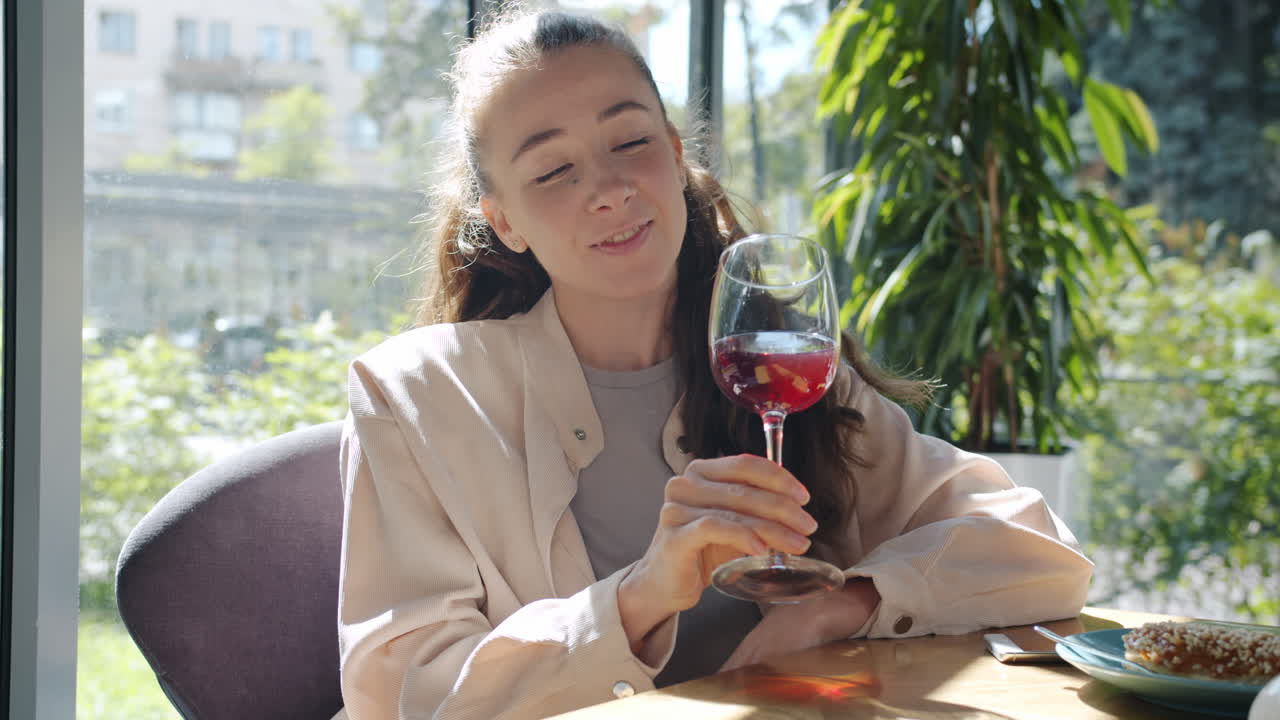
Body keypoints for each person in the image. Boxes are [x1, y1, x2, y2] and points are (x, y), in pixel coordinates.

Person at [335, 8, 1092, 720]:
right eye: (552, 172)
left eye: (629, 142)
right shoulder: (413, 395)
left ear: (673, 154)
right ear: (503, 220)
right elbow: (397, 692)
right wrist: (638, 597)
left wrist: (840, 605)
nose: (609, 189)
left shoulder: (772, 361)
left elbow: (1035, 550)